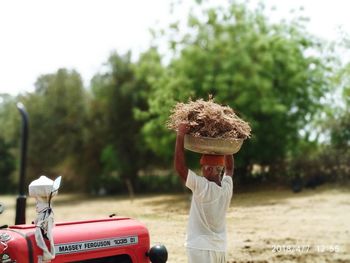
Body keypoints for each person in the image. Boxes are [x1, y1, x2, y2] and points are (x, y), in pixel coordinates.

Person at [174, 123, 234, 263]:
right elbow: (230, 168)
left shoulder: (202, 187)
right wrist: (227, 143)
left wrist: (180, 135)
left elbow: (180, 167)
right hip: (220, 249)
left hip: (200, 249)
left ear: (209, 170)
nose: (203, 170)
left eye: (204, 167)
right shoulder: (226, 188)